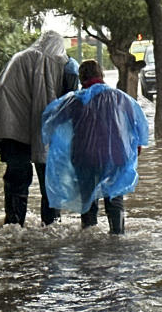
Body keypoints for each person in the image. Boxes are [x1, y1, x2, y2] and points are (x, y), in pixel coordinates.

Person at [0, 31, 79, 227]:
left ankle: (14, 226)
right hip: (45, 132)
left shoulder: (18, 59)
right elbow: (71, 102)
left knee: (17, 179)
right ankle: (51, 226)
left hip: (11, 130)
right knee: (50, 181)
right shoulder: (66, 65)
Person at [41, 60, 149, 234]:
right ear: (101, 75)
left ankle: (89, 238)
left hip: (85, 157)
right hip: (115, 156)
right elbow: (138, 127)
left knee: (88, 200)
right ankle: (117, 235)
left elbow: (51, 122)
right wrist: (134, 150)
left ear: (81, 78)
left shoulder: (74, 100)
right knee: (114, 196)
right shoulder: (120, 97)